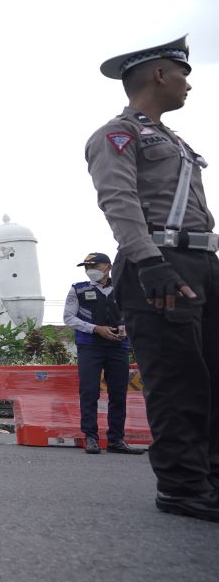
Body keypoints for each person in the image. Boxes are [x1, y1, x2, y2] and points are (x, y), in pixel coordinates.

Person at [85, 35, 216, 520]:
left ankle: (210, 480)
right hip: (159, 265)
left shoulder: (178, 142)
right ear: (159, 74)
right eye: (182, 73)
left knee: (213, 378)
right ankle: (182, 486)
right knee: (179, 379)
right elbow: (118, 200)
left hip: (201, 263)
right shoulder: (117, 135)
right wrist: (148, 261)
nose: (188, 85)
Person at [63, 252, 140, 455]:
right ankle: (91, 437)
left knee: (118, 393)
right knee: (89, 392)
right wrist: (96, 328)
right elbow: (68, 318)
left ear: (108, 266)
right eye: (87, 267)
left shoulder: (124, 288)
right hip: (90, 346)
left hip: (118, 346)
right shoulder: (78, 289)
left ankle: (116, 439)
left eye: (94, 266)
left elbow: (135, 313)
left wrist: (126, 327)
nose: (90, 271)